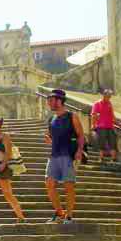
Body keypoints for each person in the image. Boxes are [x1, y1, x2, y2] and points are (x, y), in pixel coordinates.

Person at [45, 89, 85, 224]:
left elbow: (80, 135)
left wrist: (80, 150)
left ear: (59, 101)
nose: (49, 103)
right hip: (54, 155)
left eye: (51, 100)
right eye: (48, 101)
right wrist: (49, 140)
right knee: (49, 184)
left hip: (68, 155)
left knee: (68, 186)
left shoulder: (71, 116)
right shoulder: (51, 119)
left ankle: (68, 215)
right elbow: (51, 136)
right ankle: (59, 212)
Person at [91, 89, 117, 163]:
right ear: (104, 95)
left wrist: (117, 122)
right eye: (108, 96)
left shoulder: (109, 104)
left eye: (110, 96)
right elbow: (93, 115)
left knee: (112, 143)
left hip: (110, 126)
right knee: (101, 143)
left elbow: (112, 115)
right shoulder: (97, 104)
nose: (109, 98)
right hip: (101, 127)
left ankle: (113, 159)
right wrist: (93, 125)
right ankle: (101, 158)